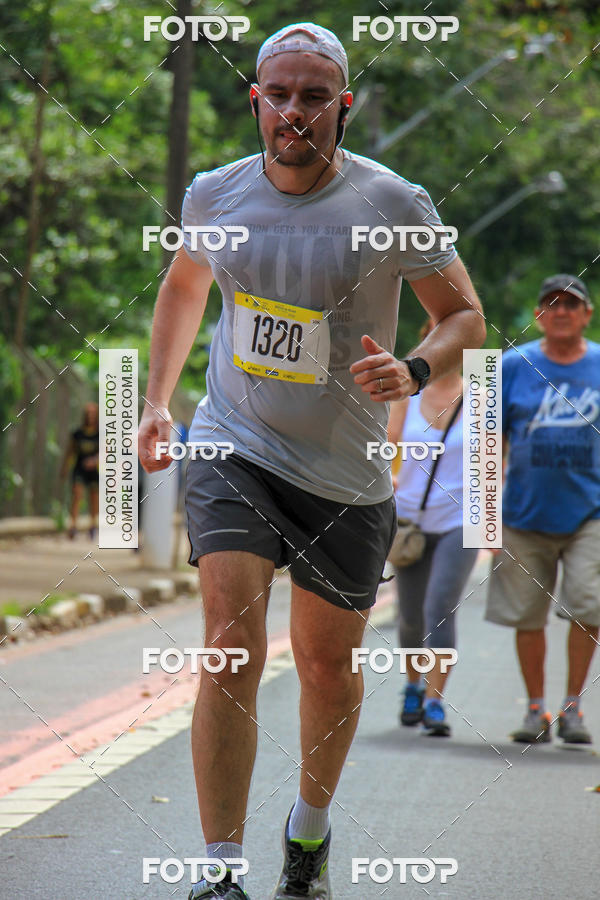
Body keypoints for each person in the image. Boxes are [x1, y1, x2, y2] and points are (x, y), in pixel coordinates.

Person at [138, 23, 485, 900]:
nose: (295, 112)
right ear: (255, 100)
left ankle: (308, 836)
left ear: (344, 106)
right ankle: (219, 872)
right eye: (280, 95)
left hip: (346, 471)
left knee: (329, 669)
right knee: (229, 642)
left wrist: (412, 368)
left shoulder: (395, 203)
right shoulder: (214, 196)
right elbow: (183, 286)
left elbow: (465, 317)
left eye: (314, 97)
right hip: (232, 443)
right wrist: (154, 401)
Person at [485, 274, 600, 745]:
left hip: (590, 513)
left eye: (571, 305)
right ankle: (536, 709)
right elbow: (486, 442)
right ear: (538, 315)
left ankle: (572, 707)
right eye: (550, 304)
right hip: (522, 515)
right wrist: (483, 519)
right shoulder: (508, 366)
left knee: (589, 606)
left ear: (586, 314)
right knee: (526, 616)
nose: (560, 312)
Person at [388, 321, 478, 737]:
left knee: (439, 607)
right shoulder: (408, 392)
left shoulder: (483, 389)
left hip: (461, 521)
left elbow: (498, 456)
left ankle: (435, 701)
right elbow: (387, 448)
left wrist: (491, 523)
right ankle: (412, 684)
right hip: (409, 521)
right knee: (409, 618)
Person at [60, 401, 99, 540]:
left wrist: (95, 461)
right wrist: (65, 468)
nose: (91, 417)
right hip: (79, 468)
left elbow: (107, 451)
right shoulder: (77, 433)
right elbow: (70, 451)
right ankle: (73, 526)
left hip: (95, 470)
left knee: (94, 498)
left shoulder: (100, 434)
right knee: (76, 495)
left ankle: (93, 526)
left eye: (93, 414)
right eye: (88, 414)